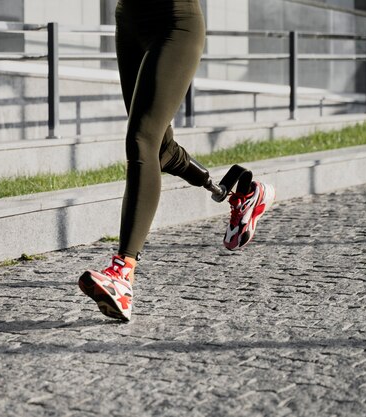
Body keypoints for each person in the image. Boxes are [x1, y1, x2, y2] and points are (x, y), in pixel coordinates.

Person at [78, 0, 275, 322]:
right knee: (160, 147)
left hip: (175, 23)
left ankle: (122, 273)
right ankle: (242, 194)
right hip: (128, 21)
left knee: (141, 139)